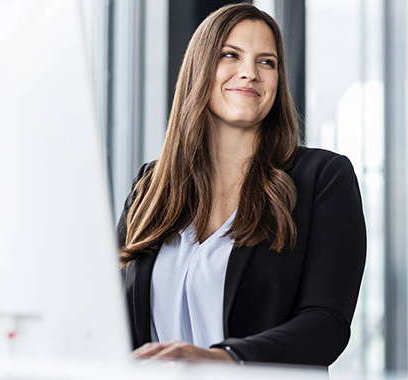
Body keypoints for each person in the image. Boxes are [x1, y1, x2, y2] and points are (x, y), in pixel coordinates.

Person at [116, 3, 367, 368]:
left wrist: (224, 359)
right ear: (200, 68)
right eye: (230, 55)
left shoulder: (323, 177)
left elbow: (326, 324)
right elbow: (110, 320)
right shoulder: (150, 187)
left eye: (267, 62)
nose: (249, 73)